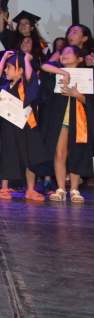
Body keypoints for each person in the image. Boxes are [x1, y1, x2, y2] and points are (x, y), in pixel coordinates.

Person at [0, 51, 48, 201]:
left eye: (9, 67)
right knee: (7, 156)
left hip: (26, 126)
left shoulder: (26, 86)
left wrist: (26, 59)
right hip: (8, 127)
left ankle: (30, 190)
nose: (6, 70)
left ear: (20, 70)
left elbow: (31, 78)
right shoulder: (4, 86)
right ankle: (4, 187)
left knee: (30, 157)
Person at [40, 45, 92, 202]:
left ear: (79, 58)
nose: (64, 54)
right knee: (60, 153)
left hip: (79, 119)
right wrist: (64, 73)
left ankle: (74, 189)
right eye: (63, 52)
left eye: (69, 52)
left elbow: (90, 101)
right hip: (60, 118)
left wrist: (75, 94)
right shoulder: (56, 72)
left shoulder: (87, 76)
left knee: (77, 152)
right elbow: (44, 65)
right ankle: (61, 188)